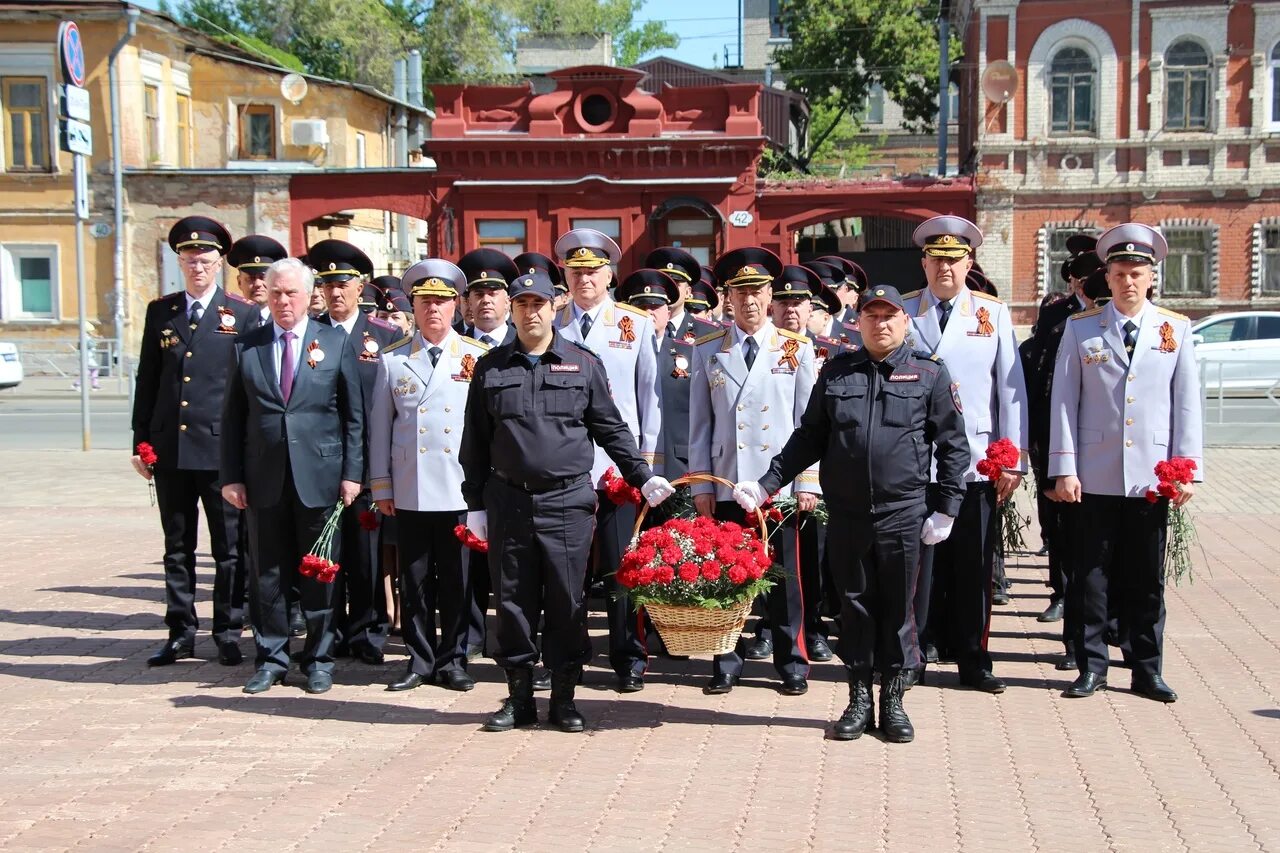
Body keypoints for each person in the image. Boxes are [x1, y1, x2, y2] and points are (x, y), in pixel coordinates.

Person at [735, 285, 968, 741]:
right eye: (871, 315)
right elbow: (809, 436)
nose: (880, 324)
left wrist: (947, 508)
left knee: (898, 609)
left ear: (904, 322)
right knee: (854, 608)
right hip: (848, 513)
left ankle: (894, 700)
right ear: (857, 321)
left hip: (904, 512)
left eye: (889, 316)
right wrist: (767, 483)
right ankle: (859, 696)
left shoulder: (929, 373)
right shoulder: (838, 372)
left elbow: (954, 445)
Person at [460, 269, 675, 733]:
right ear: (512, 310)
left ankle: (563, 698)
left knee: (566, 601)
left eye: (539, 304)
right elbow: (473, 443)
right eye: (522, 304)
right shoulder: (491, 368)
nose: (531, 312)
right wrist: (474, 503)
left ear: (553, 307)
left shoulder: (582, 363)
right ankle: (518, 698)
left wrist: (643, 476)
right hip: (508, 502)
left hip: (566, 503)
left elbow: (611, 428)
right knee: (513, 603)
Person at [1050, 223, 1202, 703]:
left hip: (1151, 479)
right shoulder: (1081, 329)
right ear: (1108, 277)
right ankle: (1092, 665)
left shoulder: (1174, 330)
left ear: (1151, 278)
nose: (1128, 282)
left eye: (1137, 273)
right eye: (1120, 273)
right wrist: (1064, 467)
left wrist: (1188, 468)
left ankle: (1145, 668)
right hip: (1093, 474)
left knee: (1145, 580)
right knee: (1091, 577)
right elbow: (1063, 403)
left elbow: (1186, 406)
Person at [221, 257, 365, 695]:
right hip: (263, 479)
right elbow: (233, 419)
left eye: (292, 293)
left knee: (320, 573)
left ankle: (319, 659)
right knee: (267, 574)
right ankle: (271, 657)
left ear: (309, 296)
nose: (284, 301)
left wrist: (352, 474)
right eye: (277, 292)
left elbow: (352, 415)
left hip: (320, 476)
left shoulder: (334, 342)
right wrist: (231, 477)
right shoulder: (247, 345)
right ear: (267, 293)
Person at [902, 215, 1027, 695]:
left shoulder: (991, 315)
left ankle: (974, 657)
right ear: (924, 263)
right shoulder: (906, 311)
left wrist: (1011, 458)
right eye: (937, 260)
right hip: (915, 460)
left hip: (976, 459)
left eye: (954, 260)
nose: (945, 268)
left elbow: (1011, 391)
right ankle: (915, 653)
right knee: (916, 567)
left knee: (973, 566)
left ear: (969, 262)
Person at [688, 247, 820, 696]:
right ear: (727, 297)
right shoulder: (708, 349)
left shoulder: (796, 349)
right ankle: (726, 658)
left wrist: (807, 482)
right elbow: (699, 423)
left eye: (758, 291)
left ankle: (791, 658)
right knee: (728, 574)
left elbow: (810, 423)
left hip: (776, 482)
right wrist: (703, 482)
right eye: (740, 291)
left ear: (770, 296)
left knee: (785, 578)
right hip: (727, 478)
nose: (749, 300)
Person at [132, 216, 254, 668]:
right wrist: (140, 440)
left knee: (229, 550)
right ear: (179, 261)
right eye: (189, 258)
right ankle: (180, 631)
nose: (197, 265)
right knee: (177, 547)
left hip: (220, 453)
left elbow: (247, 389)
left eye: (205, 259)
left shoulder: (241, 314)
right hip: (172, 451)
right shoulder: (161, 311)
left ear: (220, 262)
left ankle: (227, 631)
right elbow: (149, 379)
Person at [368, 259, 489, 693]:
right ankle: (419, 659)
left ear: (457, 306)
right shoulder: (393, 360)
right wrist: (380, 484)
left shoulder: (478, 358)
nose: (433, 309)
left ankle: (453, 658)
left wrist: (485, 489)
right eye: (424, 302)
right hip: (412, 485)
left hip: (458, 487)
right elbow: (379, 428)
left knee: (458, 581)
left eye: (441, 301)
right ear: (413, 307)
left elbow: (486, 430)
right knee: (414, 580)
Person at [553, 228, 662, 693]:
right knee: (567, 568)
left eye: (593, 270)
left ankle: (628, 656)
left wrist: (646, 464)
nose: (584, 279)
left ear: (609, 274)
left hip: (620, 467)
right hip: (565, 467)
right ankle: (567, 655)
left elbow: (650, 399)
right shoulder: (550, 324)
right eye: (576, 271)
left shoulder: (633, 325)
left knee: (624, 567)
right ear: (565, 273)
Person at [310, 239, 401, 665]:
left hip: (368, 467)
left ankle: (367, 632)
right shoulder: (310, 334)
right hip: (320, 464)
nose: (335, 292)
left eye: (343, 282)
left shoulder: (385, 337)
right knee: (326, 554)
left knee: (366, 557)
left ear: (360, 285)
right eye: (328, 284)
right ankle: (325, 631)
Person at [227, 235, 287, 332]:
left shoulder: (286, 321)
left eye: (263, 277)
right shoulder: (227, 321)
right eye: (251, 278)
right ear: (239, 282)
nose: (258, 284)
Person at [460, 249, 518, 347]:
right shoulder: (457, 345)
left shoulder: (522, 343)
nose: (486, 300)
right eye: (479, 294)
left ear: (507, 301)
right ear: (469, 302)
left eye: (492, 294)